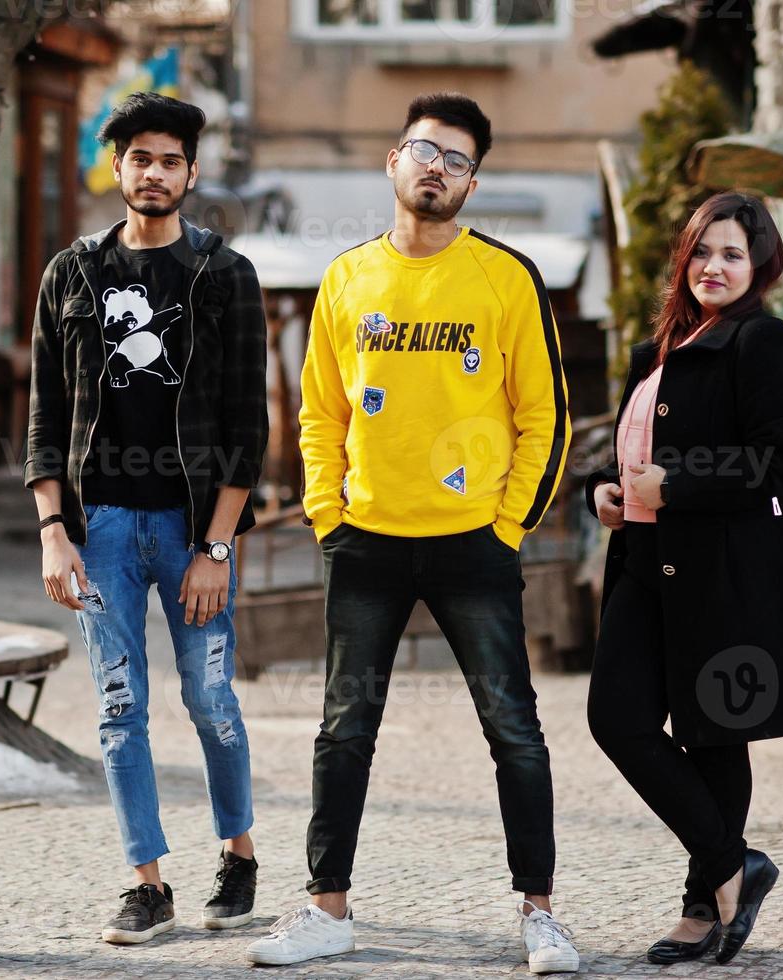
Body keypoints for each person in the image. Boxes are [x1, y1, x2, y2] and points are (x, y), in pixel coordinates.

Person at [245, 92, 579, 974]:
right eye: (426, 150)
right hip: (367, 543)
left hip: (475, 542)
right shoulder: (348, 279)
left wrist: (507, 525)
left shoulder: (505, 278)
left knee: (513, 728)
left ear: (472, 183)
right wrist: (327, 511)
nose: (439, 168)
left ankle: (540, 914)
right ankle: (327, 910)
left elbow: (543, 414)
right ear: (393, 161)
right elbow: (318, 411)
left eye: (459, 160)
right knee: (344, 728)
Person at [26, 92, 269, 946]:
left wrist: (215, 545)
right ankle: (146, 883)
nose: (155, 172)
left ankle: (237, 857)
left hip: (189, 529)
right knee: (118, 704)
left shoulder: (223, 275)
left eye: (170, 159)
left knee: (209, 699)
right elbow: (44, 420)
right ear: (118, 169)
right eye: (140, 158)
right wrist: (54, 531)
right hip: (101, 532)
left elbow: (249, 429)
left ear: (191, 173)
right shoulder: (72, 273)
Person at [583, 190, 783, 966]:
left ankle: (701, 907)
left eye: (731, 254)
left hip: (723, 571)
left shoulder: (762, 340)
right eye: (702, 250)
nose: (712, 266)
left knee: (713, 733)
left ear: (757, 267)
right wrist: (605, 489)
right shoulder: (660, 347)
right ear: (683, 254)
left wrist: (676, 485)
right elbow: (628, 443)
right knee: (616, 718)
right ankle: (732, 868)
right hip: (643, 564)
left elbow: (779, 461)